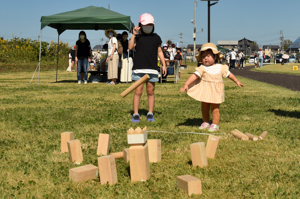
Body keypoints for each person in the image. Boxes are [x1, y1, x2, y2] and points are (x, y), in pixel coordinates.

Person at [180, 43, 244, 132]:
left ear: (215, 57)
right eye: (203, 56)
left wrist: (237, 81)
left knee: (215, 109)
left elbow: (229, 75)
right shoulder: (202, 68)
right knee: (204, 107)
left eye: (208, 56)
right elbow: (194, 76)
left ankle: (215, 124)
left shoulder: (221, 67)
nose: (205, 58)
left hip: (216, 92)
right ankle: (206, 122)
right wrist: (186, 84)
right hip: (205, 91)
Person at [128, 13, 167, 122]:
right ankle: (135, 114)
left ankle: (150, 113)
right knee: (138, 91)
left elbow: (160, 51)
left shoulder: (156, 37)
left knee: (150, 91)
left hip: (152, 69)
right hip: (138, 69)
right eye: (146, 25)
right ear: (140, 25)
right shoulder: (138, 37)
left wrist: (164, 64)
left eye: (150, 24)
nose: (148, 27)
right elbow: (130, 47)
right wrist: (133, 35)